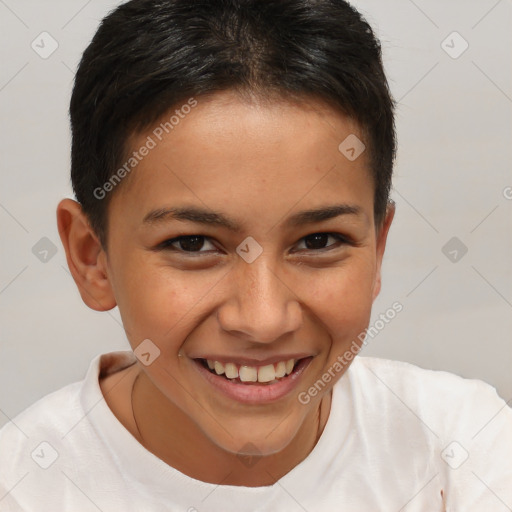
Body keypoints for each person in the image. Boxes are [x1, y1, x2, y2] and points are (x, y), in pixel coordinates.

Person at [0, 0, 510, 510]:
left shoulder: (462, 452)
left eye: (318, 241)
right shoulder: (24, 488)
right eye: (192, 244)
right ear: (93, 258)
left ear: (378, 250)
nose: (264, 321)